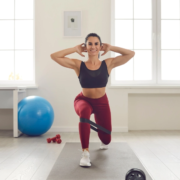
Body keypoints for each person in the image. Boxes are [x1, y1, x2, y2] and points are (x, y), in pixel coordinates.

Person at [50, 33, 135, 167]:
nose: (93, 47)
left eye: (96, 44)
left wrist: (111, 47)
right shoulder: (79, 65)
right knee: (84, 113)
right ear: (85, 46)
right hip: (83, 100)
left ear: (101, 46)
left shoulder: (108, 64)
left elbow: (130, 54)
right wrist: (75, 49)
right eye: (90, 44)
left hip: (102, 102)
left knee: (106, 140)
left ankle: (103, 138)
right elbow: (54, 56)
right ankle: (85, 154)